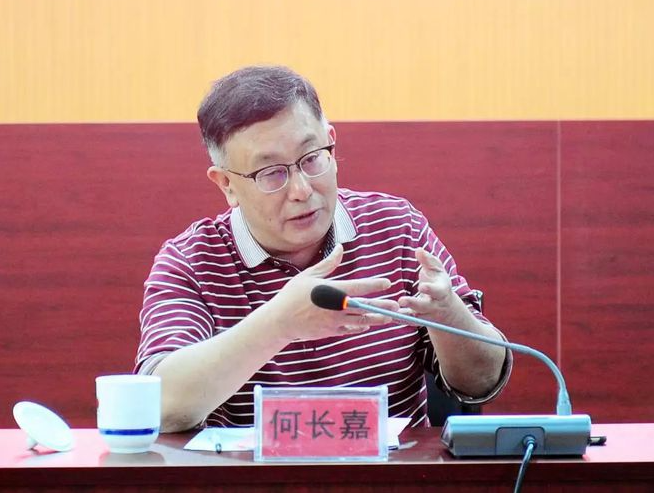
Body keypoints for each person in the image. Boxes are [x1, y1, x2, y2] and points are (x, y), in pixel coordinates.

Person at [135, 66, 511, 433]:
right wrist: (278, 323)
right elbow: (161, 407)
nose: (301, 190)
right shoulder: (191, 261)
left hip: (390, 469)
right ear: (226, 185)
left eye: (312, 158)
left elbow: (483, 380)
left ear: (331, 142)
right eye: (271, 173)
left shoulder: (396, 228)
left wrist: (449, 315)